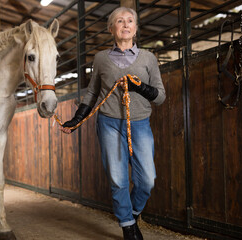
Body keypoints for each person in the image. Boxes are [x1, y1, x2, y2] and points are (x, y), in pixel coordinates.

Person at [60, 7, 166, 240]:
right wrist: (77, 119)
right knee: (118, 178)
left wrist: (140, 87)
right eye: (120, 21)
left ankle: (133, 213)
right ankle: (128, 226)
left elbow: (160, 96)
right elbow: (92, 94)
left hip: (140, 123)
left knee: (147, 179)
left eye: (130, 21)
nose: (126, 25)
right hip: (108, 122)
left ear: (136, 28)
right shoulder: (100, 59)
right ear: (111, 29)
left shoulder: (148, 58)